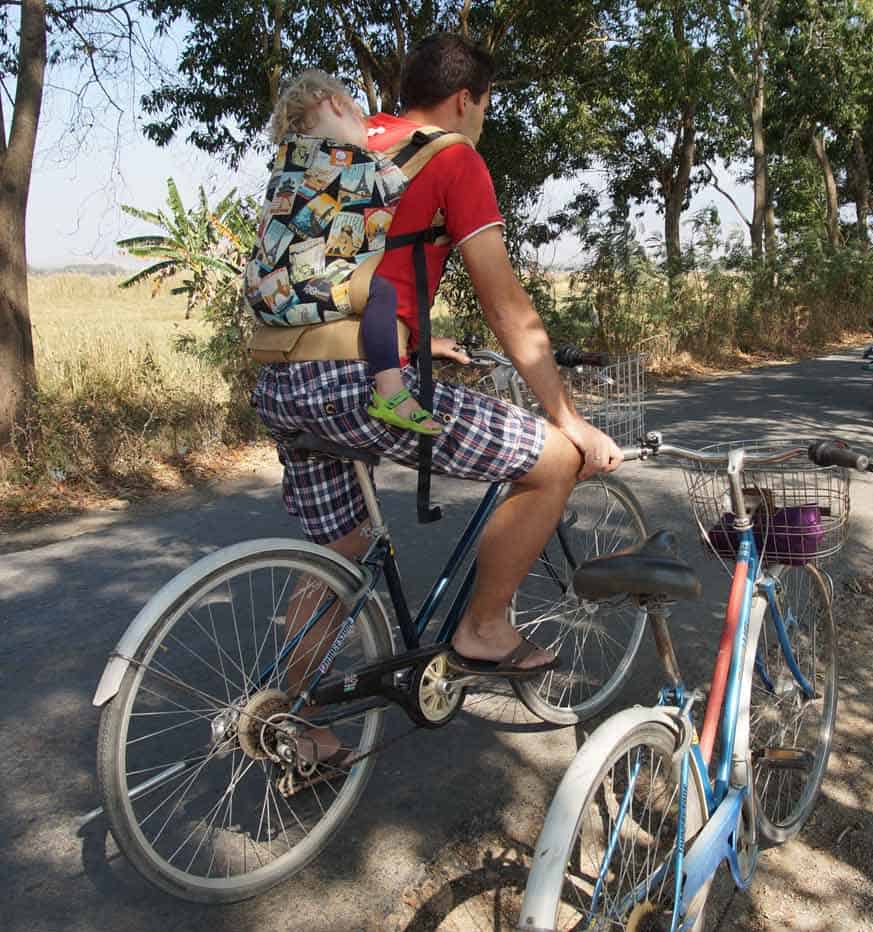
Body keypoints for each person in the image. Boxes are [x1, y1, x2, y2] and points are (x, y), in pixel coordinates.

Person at [250, 35, 622, 767]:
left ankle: (286, 718)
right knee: (550, 461)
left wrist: (424, 340)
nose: (481, 120)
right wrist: (569, 418)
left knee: (344, 547)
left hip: (283, 379)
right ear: (466, 99)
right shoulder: (452, 155)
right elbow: (506, 303)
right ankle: (485, 629)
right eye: (484, 107)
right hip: (359, 381)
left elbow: (352, 269)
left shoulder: (349, 145)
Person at [245, 70, 441, 435]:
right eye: (358, 116)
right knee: (380, 288)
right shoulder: (349, 160)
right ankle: (391, 391)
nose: (365, 129)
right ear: (336, 104)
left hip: (263, 294)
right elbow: (401, 199)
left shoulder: (286, 166)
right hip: (306, 287)